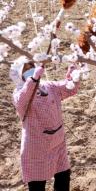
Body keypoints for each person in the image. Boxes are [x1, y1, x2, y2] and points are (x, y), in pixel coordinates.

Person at [10, 56, 80, 191]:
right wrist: (33, 79)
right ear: (19, 76)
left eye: (32, 67)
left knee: (64, 177)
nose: (30, 71)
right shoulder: (18, 94)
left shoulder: (49, 87)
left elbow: (70, 89)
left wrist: (73, 73)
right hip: (36, 148)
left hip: (57, 143)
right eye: (26, 70)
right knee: (37, 185)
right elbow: (23, 99)